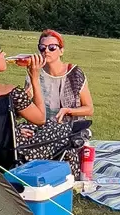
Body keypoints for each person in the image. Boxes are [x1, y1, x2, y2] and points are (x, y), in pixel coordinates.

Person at [0, 35, 85, 172]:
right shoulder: (10, 92)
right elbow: (41, 119)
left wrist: (15, 131)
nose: (4, 54)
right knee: (64, 131)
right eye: (0, 52)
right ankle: (72, 178)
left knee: (28, 127)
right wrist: (35, 78)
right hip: (14, 155)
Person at [16, 30, 94, 170]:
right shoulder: (35, 73)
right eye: (42, 48)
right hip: (41, 128)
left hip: (68, 128)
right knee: (18, 134)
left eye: (52, 47)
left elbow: (89, 108)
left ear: (61, 51)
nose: (47, 51)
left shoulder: (74, 74)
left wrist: (69, 110)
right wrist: (27, 96)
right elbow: (29, 109)